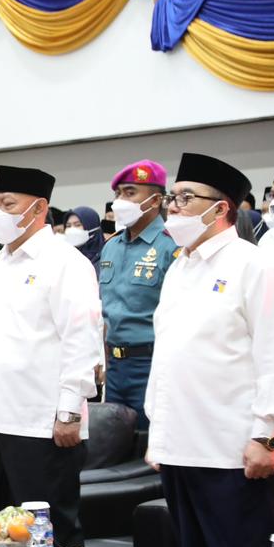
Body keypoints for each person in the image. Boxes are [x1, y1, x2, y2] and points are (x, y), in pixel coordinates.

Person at [146, 153, 274, 547]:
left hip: (230, 447)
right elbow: (168, 355)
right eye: (172, 198)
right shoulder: (179, 267)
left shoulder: (255, 264)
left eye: (186, 198)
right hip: (179, 444)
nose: (174, 207)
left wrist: (266, 435)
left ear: (220, 208)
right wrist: (159, 434)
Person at [0, 166, 101, 547]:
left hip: (38, 420)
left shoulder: (65, 262)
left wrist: (69, 411)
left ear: (39, 208)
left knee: (50, 530)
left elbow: (81, 339)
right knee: (7, 531)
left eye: (8, 204)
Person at [98, 160, 176, 429]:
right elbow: (105, 310)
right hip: (115, 366)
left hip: (151, 364)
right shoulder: (111, 246)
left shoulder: (171, 246)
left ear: (155, 200)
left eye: (130, 193)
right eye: (118, 193)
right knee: (115, 442)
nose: (121, 200)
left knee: (149, 441)